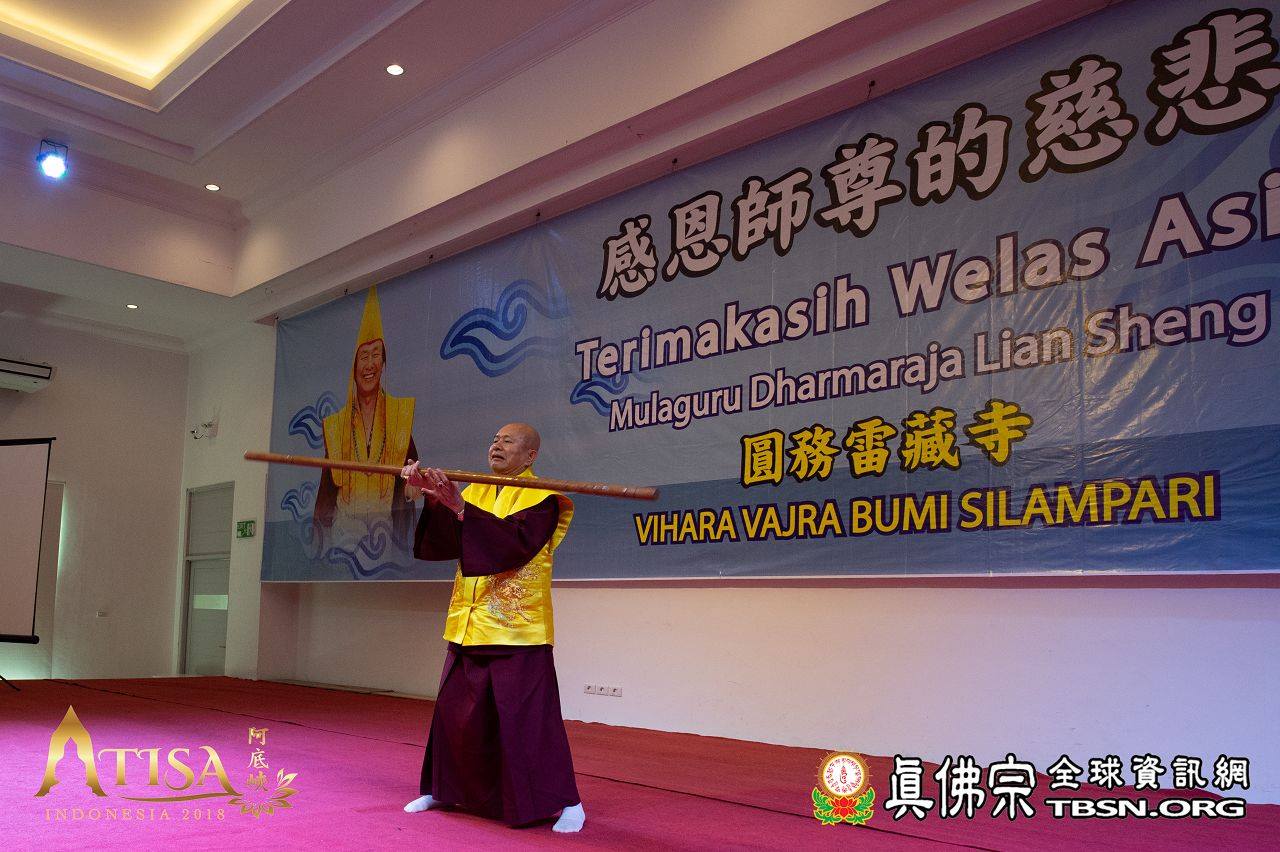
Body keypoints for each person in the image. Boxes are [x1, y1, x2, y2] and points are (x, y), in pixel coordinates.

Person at [400, 423, 585, 833]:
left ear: (531, 455)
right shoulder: (476, 489)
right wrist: (434, 500)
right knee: (455, 716)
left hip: (517, 628)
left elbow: (513, 545)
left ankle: (567, 802)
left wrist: (460, 508)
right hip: (469, 622)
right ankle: (444, 789)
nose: (496, 445)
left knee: (526, 721)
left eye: (508, 441)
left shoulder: (545, 497)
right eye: (495, 440)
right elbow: (451, 542)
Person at [313, 285, 418, 545]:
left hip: (385, 540)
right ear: (354, 366)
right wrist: (319, 544)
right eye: (363, 356)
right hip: (343, 539)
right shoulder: (336, 425)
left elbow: (409, 486)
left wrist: (412, 489)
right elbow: (326, 492)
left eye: (376, 355)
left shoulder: (400, 416)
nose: (369, 364)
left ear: (383, 364)